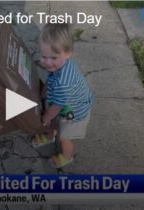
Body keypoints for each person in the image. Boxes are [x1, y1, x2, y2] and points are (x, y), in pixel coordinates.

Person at [38, 23, 93, 168]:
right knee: (53, 120)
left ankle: (67, 156)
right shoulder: (58, 65)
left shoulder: (64, 82)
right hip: (64, 105)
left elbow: (57, 106)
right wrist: (44, 92)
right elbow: (50, 79)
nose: (48, 62)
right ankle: (50, 136)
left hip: (75, 113)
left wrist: (45, 118)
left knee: (64, 137)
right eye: (44, 56)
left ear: (68, 53)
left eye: (53, 58)